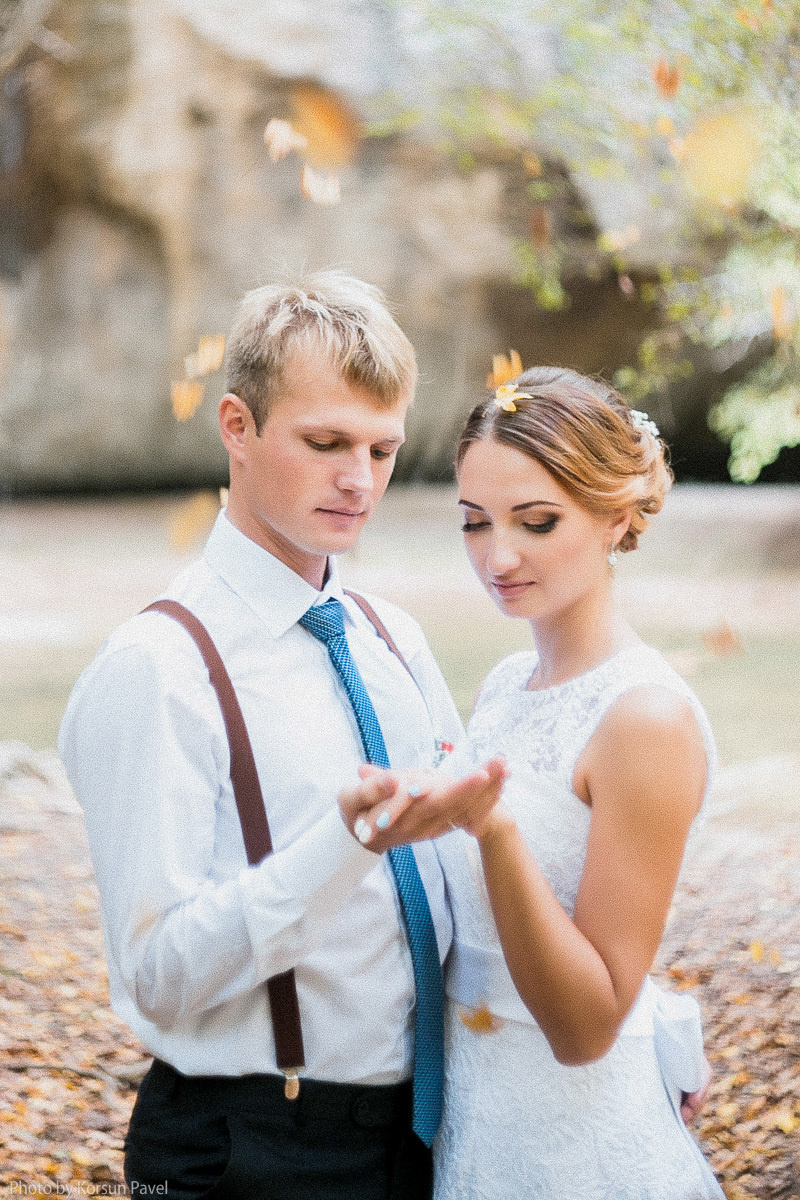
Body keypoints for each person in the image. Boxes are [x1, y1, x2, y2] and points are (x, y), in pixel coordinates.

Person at [57, 271, 506, 1200]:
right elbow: (159, 979)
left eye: (383, 450)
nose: (359, 480)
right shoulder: (160, 666)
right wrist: (343, 845)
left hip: (422, 1132)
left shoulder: (394, 640)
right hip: (250, 1146)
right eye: (326, 442)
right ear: (236, 427)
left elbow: (462, 895)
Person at [346, 367, 724, 1199]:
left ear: (616, 515)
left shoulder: (645, 719)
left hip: (576, 1149)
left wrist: (496, 832)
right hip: (475, 1122)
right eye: (475, 523)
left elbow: (587, 1025)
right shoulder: (506, 684)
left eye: (537, 521)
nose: (498, 555)